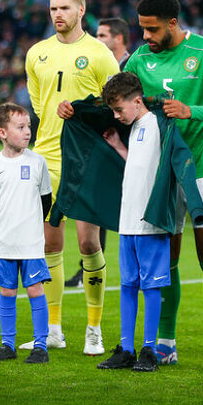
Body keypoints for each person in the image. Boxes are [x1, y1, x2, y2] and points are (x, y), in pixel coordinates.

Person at [125, 0, 203, 371]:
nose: (145, 37)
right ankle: (166, 342)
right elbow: (119, 101)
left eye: (152, 30)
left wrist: (191, 110)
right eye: (142, 29)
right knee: (166, 260)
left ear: (173, 24)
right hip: (163, 176)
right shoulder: (140, 59)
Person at [25, 0, 120, 354]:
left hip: (86, 160)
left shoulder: (100, 55)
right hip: (46, 156)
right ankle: (53, 327)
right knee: (50, 242)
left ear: (81, 10)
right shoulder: (37, 54)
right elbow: (38, 104)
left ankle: (93, 329)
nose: (58, 15)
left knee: (88, 241)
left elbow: (114, 108)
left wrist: (81, 110)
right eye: (53, 9)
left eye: (64, 8)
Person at [96, 72, 177, 372]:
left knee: (151, 287)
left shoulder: (158, 123)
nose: (117, 116)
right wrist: (119, 146)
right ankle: (127, 349)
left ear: (138, 101)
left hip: (150, 222)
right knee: (128, 284)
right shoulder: (135, 128)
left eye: (119, 109)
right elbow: (140, 165)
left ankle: (149, 350)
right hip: (128, 220)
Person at [63, 16, 129, 289]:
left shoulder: (131, 67)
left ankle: (127, 271)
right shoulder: (96, 64)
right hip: (100, 145)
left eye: (103, 35)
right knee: (95, 209)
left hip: (123, 149)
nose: (98, 40)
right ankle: (85, 270)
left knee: (122, 212)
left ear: (119, 38)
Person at [0, 103, 51, 364]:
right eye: (20, 127)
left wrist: (30, 225)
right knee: (7, 291)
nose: (27, 132)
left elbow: (46, 200)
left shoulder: (37, 162)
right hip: (5, 243)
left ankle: (40, 346)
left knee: (35, 289)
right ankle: (7, 344)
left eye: (28, 127)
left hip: (31, 242)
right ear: (2, 132)